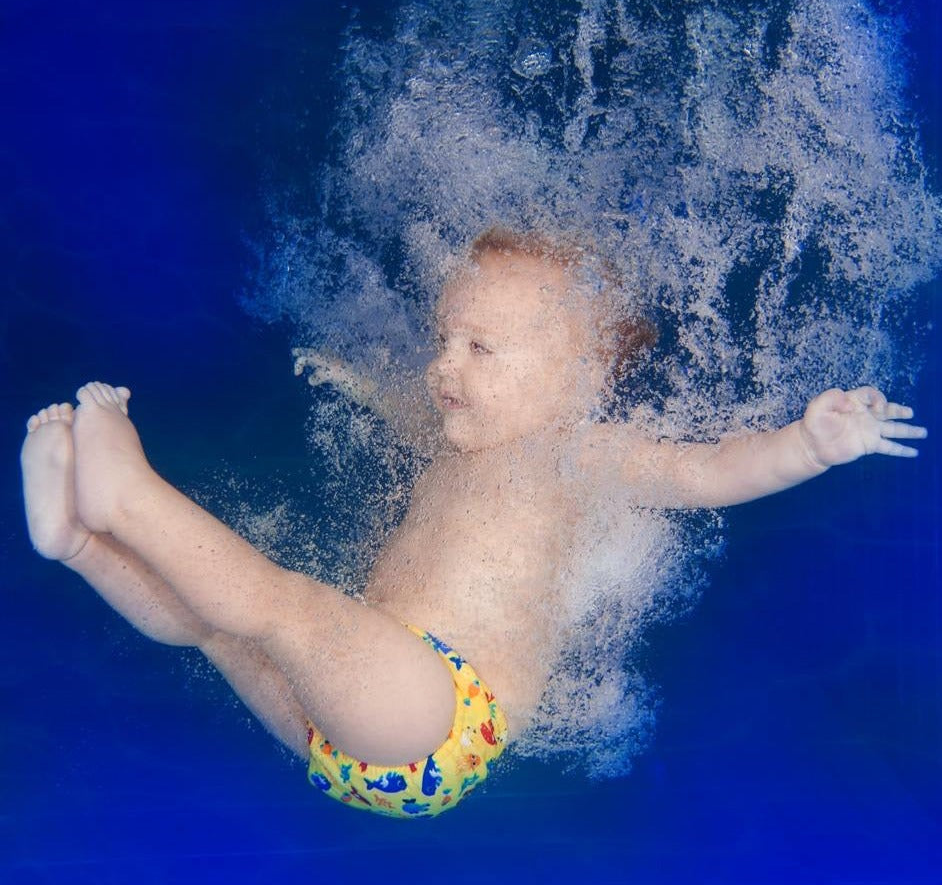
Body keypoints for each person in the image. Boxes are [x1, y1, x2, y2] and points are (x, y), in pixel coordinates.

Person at [19, 227, 927, 818]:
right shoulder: (464, 445)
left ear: (573, 383)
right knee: (216, 627)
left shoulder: (580, 452)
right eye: (446, 339)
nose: (446, 365)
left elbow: (712, 469)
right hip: (353, 729)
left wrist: (809, 446)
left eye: (481, 349)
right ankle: (82, 544)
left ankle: (126, 495)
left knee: (280, 606)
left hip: (443, 713)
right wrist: (361, 386)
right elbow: (411, 414)